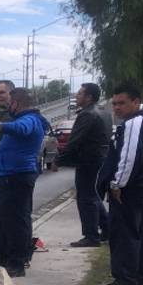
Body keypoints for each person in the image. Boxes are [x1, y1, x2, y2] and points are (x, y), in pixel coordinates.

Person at [96, 85, 143, 285]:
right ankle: (142, 278)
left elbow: (129, 158)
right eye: (114, 103)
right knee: (139, 235)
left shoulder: (134, 123)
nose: (117, 107)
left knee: (124, 237)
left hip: (129, 192)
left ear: (136, 102)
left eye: (122, 103)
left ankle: (124, 283)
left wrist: (117, 184)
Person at [0, 88, 48, 277]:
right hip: (9, 175)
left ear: (16, 103)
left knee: (16, 221)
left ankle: (17, 262)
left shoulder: (30, 119)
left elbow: (21, 129)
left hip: (17, 176)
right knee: (5, 220)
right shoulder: (25, 118)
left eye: (10, 101)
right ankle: (3, 257)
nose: (8, 105)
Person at [55, 82, 110, 247]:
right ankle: (107, 229)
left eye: (80, 93)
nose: (76, 96)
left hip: (88, 160)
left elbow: (75, 141)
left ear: (89, 97)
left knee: (85, 198)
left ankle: (91, 236)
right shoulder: (104, 112)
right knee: (93, 196)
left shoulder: (87, 115)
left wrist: (59, 159)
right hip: (100, 159)